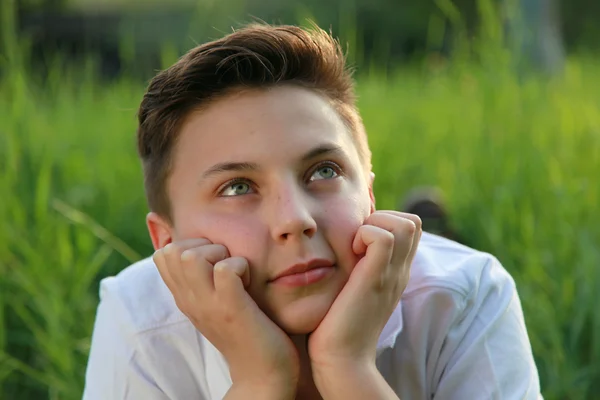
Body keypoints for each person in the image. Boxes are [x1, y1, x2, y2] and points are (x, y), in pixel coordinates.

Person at [83, 23, 542, 399]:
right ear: (167, 241)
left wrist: (347, 367)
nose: (295, 219)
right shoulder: (140, 319)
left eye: (323, 171)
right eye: (237, 186)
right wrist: (260, 382)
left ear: (369, 198)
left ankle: (431, 224)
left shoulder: (466, 293)